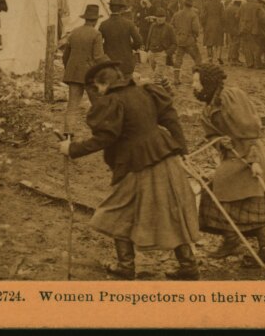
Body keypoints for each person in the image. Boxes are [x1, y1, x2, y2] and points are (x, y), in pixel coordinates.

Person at [59, 61, 200, 280]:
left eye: (97, 88)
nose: (97, 93)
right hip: (166, 156)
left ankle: (126, 266)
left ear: (104, 83)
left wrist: (72, 149)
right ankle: (188, 265)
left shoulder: (113, 101)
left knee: (118, 210)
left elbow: (106, 137)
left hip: (139, 164)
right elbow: (170, 117)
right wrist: (181, 148)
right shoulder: (145, 92)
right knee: (171, 209)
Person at [193, 63, 265, 267]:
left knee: (243, 194)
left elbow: (250, 130)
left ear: (207, 83)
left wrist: (253, 161)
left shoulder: (230, 97)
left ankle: (248, 244)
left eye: (196, 82)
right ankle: (253, 244)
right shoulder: (209, 105)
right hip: (233, 155)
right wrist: (219, 139)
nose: (194, 86)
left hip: (249, 154)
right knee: (228, 192)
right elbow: (212, 133)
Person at [61, 4, 107, 135]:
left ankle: (68, 133)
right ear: (96, 20)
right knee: (97, 105)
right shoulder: (96, 34)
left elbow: (66, 56)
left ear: (85, 18)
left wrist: (70, 69)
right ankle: (101, 131)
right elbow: (98, 57)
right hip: (90, 75)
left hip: (74, 74)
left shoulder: (74, 32)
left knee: (72, 106)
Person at [98, 0, 143, 78]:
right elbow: (139, 41)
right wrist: (130, 47)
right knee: (127, 88)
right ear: (122, 9)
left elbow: (98, 43)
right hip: (126, 63)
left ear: (110, 8)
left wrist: (106, 48)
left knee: (112, 88)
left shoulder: (103, 24)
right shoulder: (128, 23)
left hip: (109, 63)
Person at [170, 0, 202, 85]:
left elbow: (171, 26)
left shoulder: (177, 14)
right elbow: (195, 28)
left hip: (179, 40)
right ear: (192, 5)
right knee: (197, 59)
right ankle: (196, 78)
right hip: (190, 40)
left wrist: (177, 34)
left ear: (183, 5)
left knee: (178, 59)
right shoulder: (193, 14)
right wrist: (195, 36)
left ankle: (176, 79)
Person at [238, 0, 265, 69]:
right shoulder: (258, 6)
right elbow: (262, 18)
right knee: (256, 46)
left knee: (246, 46)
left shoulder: (243, 6)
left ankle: (249, 63)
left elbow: (237, 16)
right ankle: (257, 64)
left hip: (244, 28)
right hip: (254, 29)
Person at [145, 8, 176, 75]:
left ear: (165, 18)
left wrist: (166, 53)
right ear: (156, 17)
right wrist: (148, 50)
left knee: (157, 75)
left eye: (162, 17)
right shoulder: (152, 26)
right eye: (158, 17)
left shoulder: (169, 28)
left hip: (161, 54)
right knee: (157, 74)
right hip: (151, 54)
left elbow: (175, 43)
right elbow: (149, 38)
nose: (160, 19)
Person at [200, 0, 225, 65]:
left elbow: (203, 16)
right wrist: (223, 25)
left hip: (208, 24)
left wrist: (203, 24)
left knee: (209, 42)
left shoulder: (206, 4)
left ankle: (210, 58)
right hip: (218, 25)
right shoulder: (220, 4)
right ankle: (218, 56)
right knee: (219, 41)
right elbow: (223, 16)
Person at [224, 0, 242, 65]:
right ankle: (234, 59)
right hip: (235, 28)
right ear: (238, 3)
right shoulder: (237, 9)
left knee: (231, 44)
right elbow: (237, 19)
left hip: (229, 28)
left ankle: (230, 57)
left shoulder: (228, 8)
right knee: (236, 44)